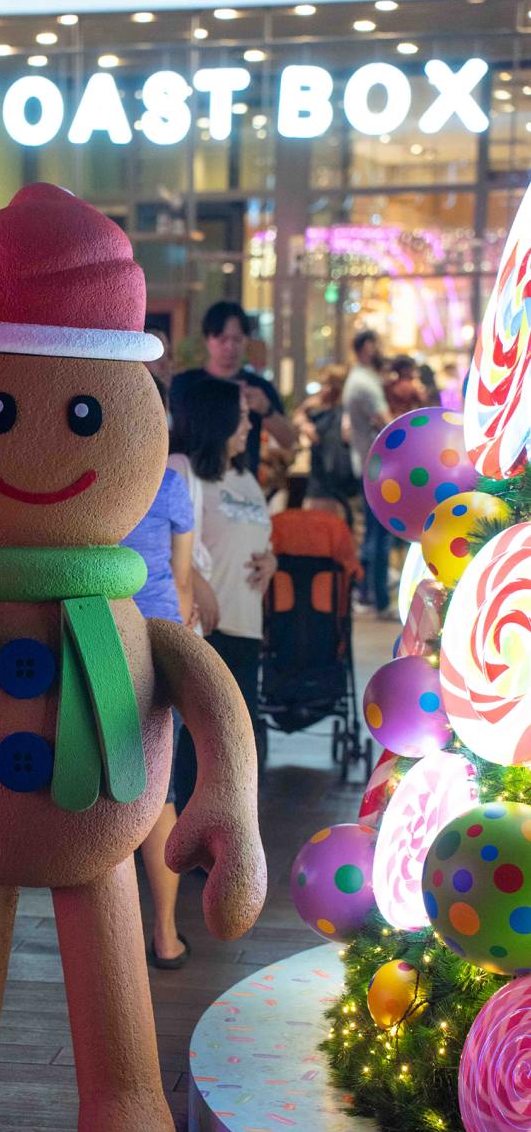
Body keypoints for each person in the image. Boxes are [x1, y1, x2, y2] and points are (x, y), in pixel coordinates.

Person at [171, 379, 276, 804]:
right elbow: (157, 539)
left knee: (232, 746)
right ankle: (184, 834)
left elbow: (258, 537)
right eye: (242, 415)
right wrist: (197, 584)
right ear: (217, 418)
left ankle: (220, 833)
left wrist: (272, 561)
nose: (248, 425)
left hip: (245, 625)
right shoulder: (181, 470)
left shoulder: (245, 476)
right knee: (194, 744)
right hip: (201, 629)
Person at [121, 378, 195, 968]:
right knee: (158, 791)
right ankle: (165, 935)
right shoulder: (169, 485)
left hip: (102, 638)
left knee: (107, 790)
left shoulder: (93, 481)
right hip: (162, 641)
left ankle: (112, 936)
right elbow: (183, 576)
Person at [170, 302, 296, 477]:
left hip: (242, 478)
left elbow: (289, 440)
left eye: (237, 339)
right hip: (192, 477)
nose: (230, 347)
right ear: (208, 340)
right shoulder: (184, 384)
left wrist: (266, 409)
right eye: (222, 339)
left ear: (246, 340)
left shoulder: (258, 387)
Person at [342, 330, 392, 616]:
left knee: (373, 533)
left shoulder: (357, 380)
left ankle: (367, 593)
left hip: (367, 464)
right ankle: (377, 597)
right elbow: (387, 423)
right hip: (377, 467)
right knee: (379, 535)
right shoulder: (364, 383)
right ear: (367, 347)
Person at [293, 365, 358, 522]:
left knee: (323, 526)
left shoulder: (342, 412)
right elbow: (298, 417)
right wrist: (304, 421)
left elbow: (341, 437)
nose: (324, 389)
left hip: (331, 480)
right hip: (322, 477)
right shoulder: (320, 407)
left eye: (328, 384)